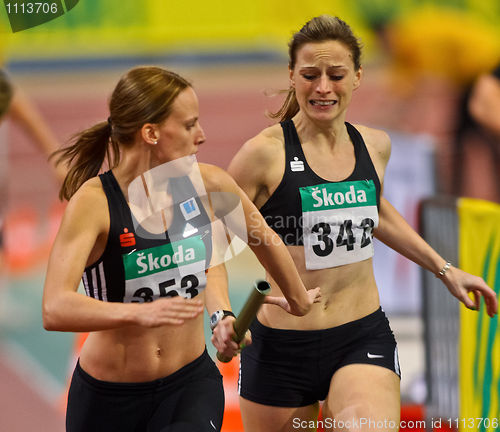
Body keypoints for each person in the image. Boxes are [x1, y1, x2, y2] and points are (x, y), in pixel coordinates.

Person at [228, 15, 498, 432]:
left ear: (357, 77)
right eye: (310, 75)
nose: (322, 88)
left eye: (336, 75)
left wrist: (446, 270)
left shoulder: (375, 144)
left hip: (360, 336)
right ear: (292, 76)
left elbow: (374, 211)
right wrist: (220, 315)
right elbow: (210, 239)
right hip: (281, 348)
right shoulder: (261, 155)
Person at [42, 66, 320, 432]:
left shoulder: (208, 185)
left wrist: (241, 310)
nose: (201, 136)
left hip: (190, 386)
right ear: (151, 133)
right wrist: (138, 314)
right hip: (108, 399)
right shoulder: (94, 204)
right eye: (189, 125)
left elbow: (255, 241)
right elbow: (55, 307)